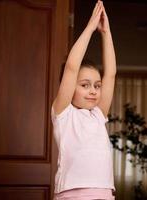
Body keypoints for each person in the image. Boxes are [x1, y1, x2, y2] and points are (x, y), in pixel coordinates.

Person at [51, 1, 116, 199]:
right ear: (70, 86)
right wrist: (90, 28)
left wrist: (106, 33)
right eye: (85, 85)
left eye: (97, 86)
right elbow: (71, 66)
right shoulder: (63, 114)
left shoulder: (98, 115)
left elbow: (111, 74)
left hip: (104, 194)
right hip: (71, 195)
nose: (93, 91)